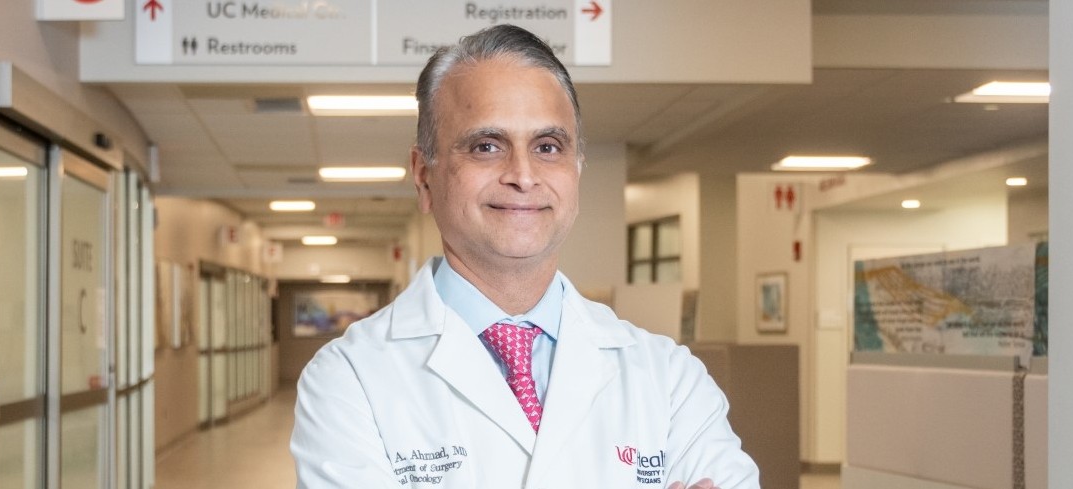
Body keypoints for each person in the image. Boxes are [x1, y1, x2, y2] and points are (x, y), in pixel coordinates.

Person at [291, 24, 759, 489]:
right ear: (423, 175)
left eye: (548, 147)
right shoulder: (348, 379)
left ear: (576, 170)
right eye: (486, 146)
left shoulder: (670, 378)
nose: (523, 175)